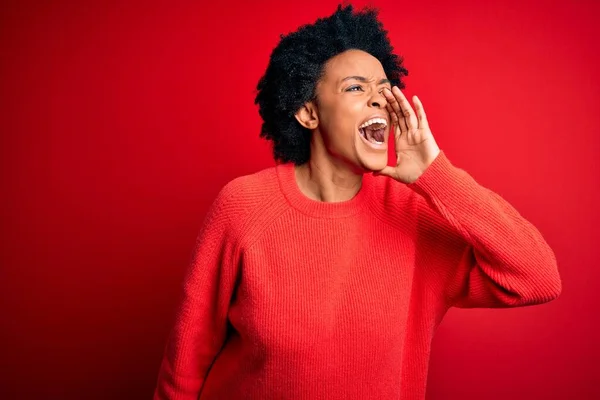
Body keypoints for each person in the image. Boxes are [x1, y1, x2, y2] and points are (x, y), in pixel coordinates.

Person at [153, 4, 562, 399]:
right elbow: (186, 363)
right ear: (309, 113)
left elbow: (536, 277)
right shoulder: (243, 206)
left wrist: (434, 173)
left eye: (385, 89)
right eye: (355, 87)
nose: (380, 99)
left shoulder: (412, 214)